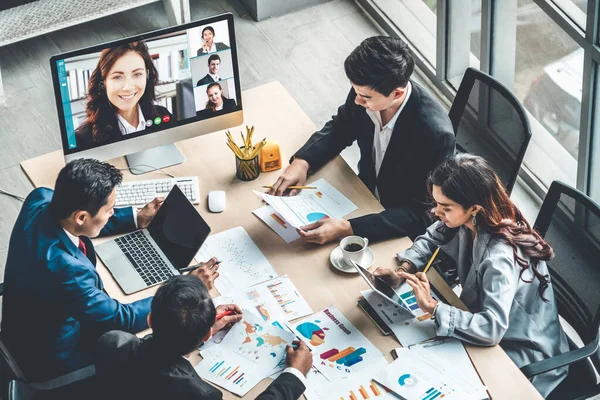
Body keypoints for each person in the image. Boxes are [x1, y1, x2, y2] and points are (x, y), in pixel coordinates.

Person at [1, 159, 220, 380]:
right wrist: (188, 290)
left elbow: (82, 223)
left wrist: (136, 218)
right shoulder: (67, 271)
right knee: (149, 353)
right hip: (54, 355)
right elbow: (121, 319)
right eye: (109, 210)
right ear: (82, 217)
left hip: (20, 324)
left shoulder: (40, 198)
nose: (112, 212)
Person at [372, 153, 568, 398]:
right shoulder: (470, 218)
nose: (435, 212)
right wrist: (404, 270)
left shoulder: (499, 259)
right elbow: (433, 238)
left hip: (520, 349)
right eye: (436, 203)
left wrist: (433, 307)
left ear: (474, 208)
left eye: (445, 208)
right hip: (482, 324)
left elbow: (492, 328)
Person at [267, 36, 455, 245]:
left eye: (365, 97)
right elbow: (341, 127)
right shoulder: (366, 91)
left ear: (397, 93)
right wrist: (303, 162)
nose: (357, 100)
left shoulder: (435, 135)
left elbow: (424, 213)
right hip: (362, 193)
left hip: (395, 223)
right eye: (355, 91)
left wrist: (349, 229)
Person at [96, 275, 312, 399]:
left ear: (150, 319)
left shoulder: (112, 341)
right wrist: (294, 375)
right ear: (210, 333)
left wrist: (193, 327)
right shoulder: (199, 395)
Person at [75, 41, 172, 150]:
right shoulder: (83, 139)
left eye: (137, 74)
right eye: (117, 77)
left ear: (147, 76)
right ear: (104, 83)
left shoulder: (163, 115)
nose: (128, 87)